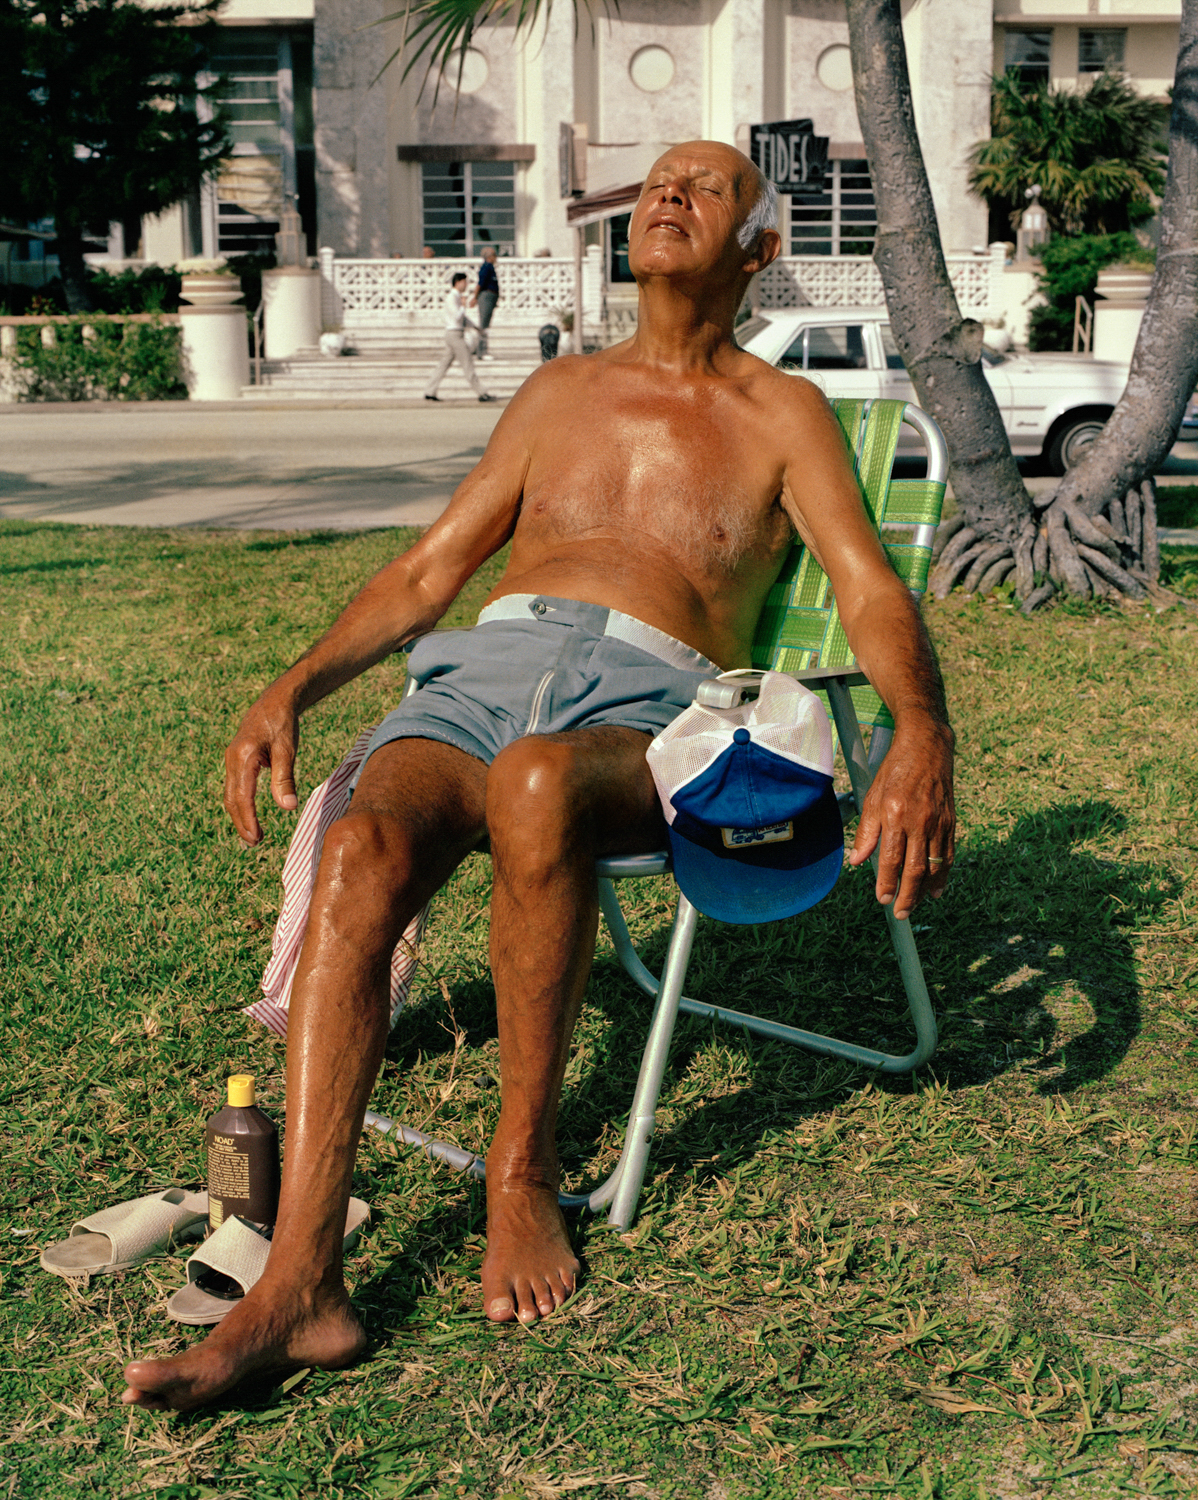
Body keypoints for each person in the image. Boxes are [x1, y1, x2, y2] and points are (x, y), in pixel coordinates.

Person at [122, 141, 955, 1412]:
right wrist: (292, 685)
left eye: (708, 187)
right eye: (657, 183)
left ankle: (522, 1170)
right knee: (362, 843)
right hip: (482, 671)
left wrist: (920, 733)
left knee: (532, 786)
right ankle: (302, 1281)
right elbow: (426, 573)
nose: (667, 195)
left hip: (647, 699)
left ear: (759, 253)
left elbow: (868, 587)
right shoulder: (557, 391)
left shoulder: (780, 416)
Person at [424, 271, 494, 404]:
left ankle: (429, 391)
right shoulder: (452, 297)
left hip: (455, 334)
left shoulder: (457, 297)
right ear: (458, 282)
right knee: (467, 363)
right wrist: (463, 305)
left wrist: (475, 327)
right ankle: (482, 393)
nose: (466, 285)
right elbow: (457, 316)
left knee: (444, 364)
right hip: (454, 335)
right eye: (464, 282)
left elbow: (463, 318)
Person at [472, 246, 500, 359]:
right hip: (486, 296)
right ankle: (482, 351)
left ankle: (482, 350)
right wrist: (475, 297)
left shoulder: (491, 267)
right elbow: (480, 283)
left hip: (491, 297)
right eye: (494, 255)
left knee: (485, 325)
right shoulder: (486, 267)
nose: (496, 258)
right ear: (489, 256)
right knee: (483, 325)